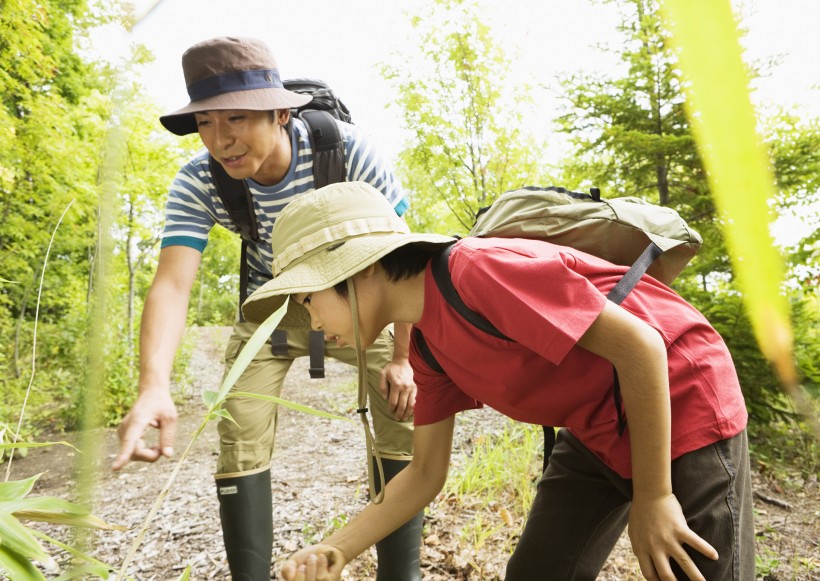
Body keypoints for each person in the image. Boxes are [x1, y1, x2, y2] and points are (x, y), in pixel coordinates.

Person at [240, 181, 755, 581]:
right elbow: (423, 474)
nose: (311, 324)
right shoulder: (428, 348)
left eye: (310, 300)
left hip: (683, 399)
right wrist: (335, 550)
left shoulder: (476, 272)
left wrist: (655, 496)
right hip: (596, 429)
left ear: (359, 269)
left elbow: (643, 346)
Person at [111, 37, 424, 581]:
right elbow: (172, 284)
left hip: (360, 303)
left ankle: (403, 575)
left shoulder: (347, 151)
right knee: (239, 430)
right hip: (273, 308)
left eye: (236, 118)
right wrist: (153, 383)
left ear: (281, 112)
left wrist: (404, 355)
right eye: (205, 122)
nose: (220, 139)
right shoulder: (198, 181)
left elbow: (403, 261)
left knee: (403, 418)